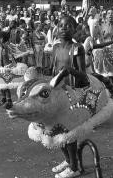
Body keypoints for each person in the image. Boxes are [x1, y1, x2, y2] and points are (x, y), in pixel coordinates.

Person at [50, 16, 90, 178]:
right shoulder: (56, 47)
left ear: (74, 29)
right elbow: (54, 69)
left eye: (68, 26)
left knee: (68, 130)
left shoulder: (77, 47)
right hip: (57, 92)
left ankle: (75, 167)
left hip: (72, 93)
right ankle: (68, 160)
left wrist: (69, 70)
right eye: (60, 25)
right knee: (55, 128)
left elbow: (84, 76)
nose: (63, 28)